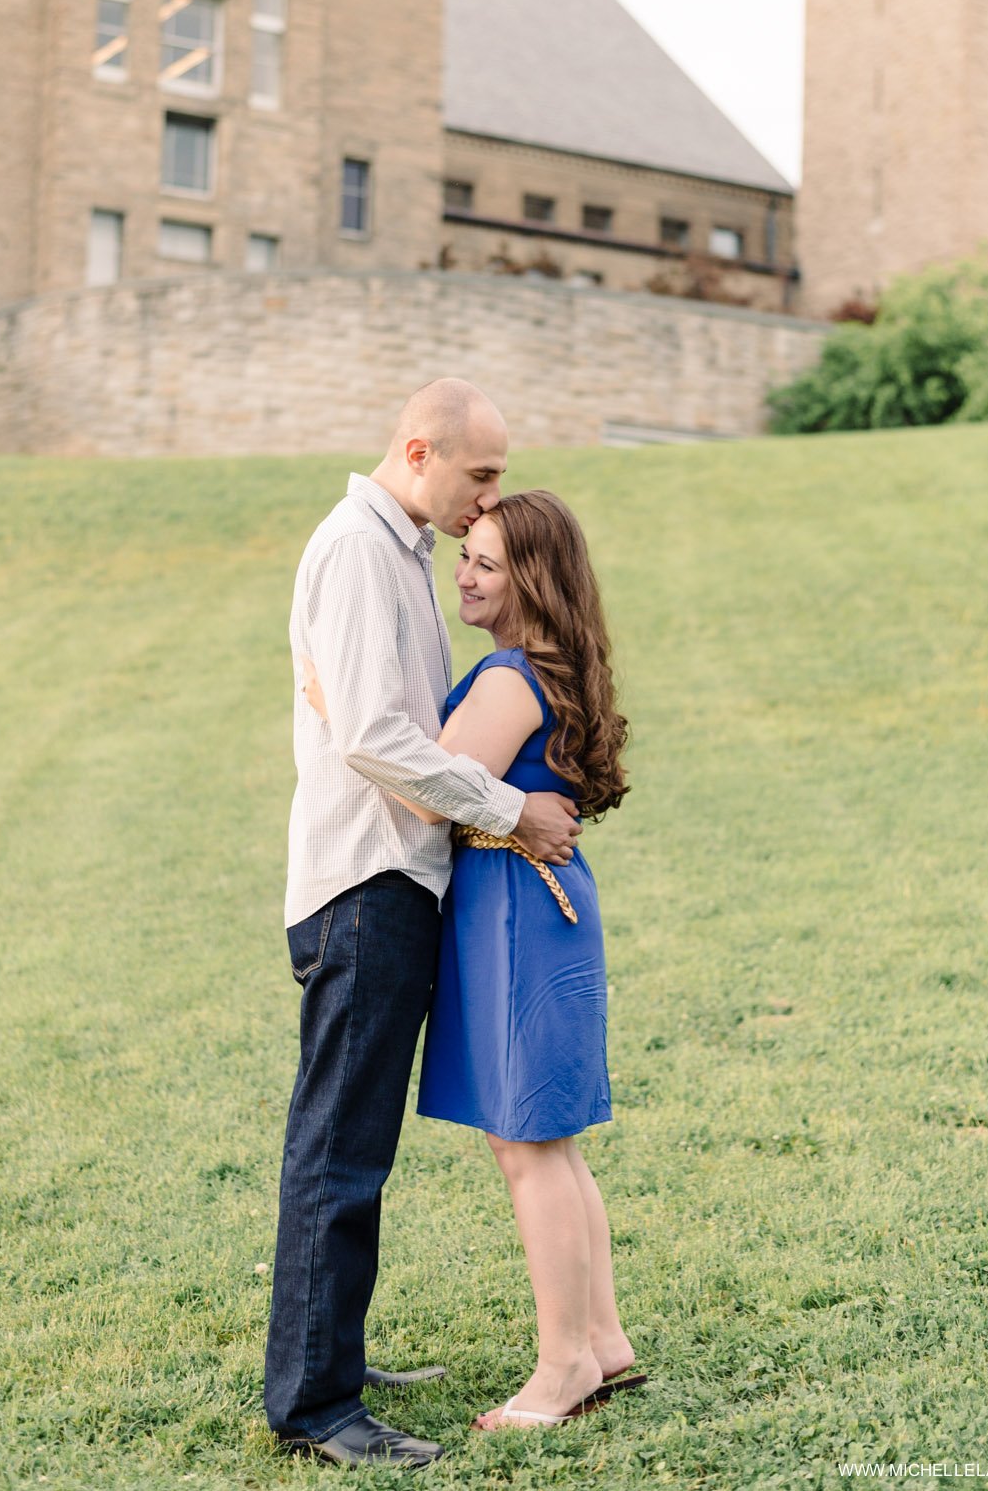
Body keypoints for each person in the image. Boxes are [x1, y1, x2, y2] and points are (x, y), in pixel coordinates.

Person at [264, 379, 584, 1471]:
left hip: (394, 881)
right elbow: (375, 739)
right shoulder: (359, 548)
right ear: (419, 450)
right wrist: (513, 813)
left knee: (359, 1147)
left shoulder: (392, 552)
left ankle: (333, 1354)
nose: (486, 499)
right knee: (340, 1150)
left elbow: (370, 717)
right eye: (480, 475)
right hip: (366, 884)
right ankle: (316, 1405)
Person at [311, 490, 639, 1431]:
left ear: (530, 580)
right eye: (467, 557)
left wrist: (337, 705)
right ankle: (604, 1340)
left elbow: (430, 791)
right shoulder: (550, 666)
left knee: (527, 1146)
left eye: (487, 564)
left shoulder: (507, 677)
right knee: (551, 1143)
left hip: (512, 913)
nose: (465, 574)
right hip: (542, 905)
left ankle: (564, 1364)